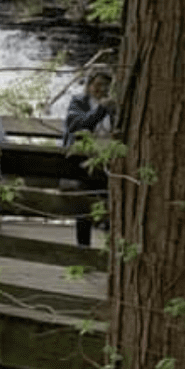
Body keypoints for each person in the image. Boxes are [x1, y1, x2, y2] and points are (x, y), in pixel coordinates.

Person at [62, 70, 116, 247]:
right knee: (85, 202)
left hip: (109, 161)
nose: (102, 89)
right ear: (89, 85)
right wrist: (101, 109)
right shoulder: (79, 101)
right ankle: (83, 248)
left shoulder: (115, 106)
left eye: (106, 86)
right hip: (82, 162)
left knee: (110, 201)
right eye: (98, 84)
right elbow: (75, 125)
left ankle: (109, 249)